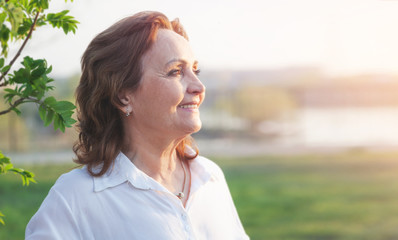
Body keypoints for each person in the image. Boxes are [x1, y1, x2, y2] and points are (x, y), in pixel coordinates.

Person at [25, 11, 249, 240]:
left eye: (195, 70)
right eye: (176, 72)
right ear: (123, 96)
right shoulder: (74, 199)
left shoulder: (210, 177)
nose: (199, 86)